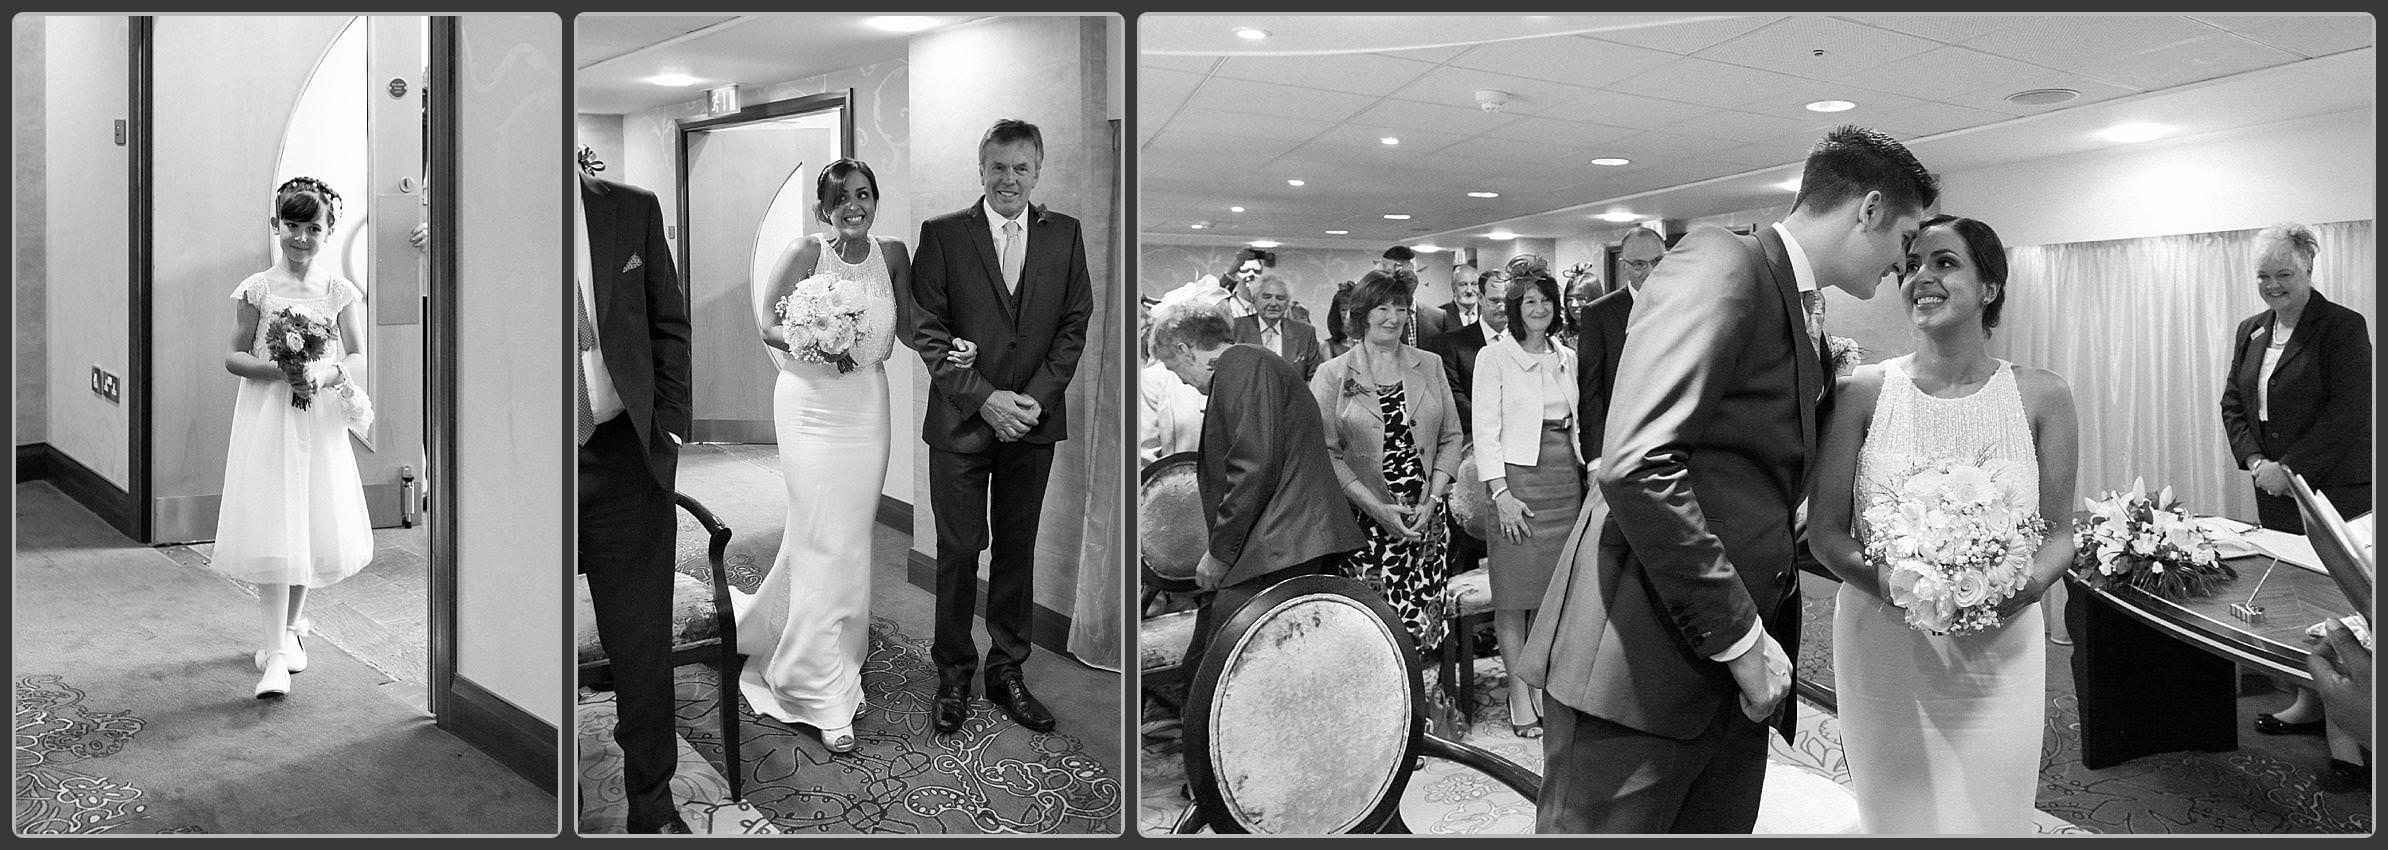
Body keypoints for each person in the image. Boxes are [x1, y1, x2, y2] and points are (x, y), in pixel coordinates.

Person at [1517, 125, 1936, 833]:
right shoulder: (1724, 260)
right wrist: (1741, 640)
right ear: (1868, 208)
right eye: (1907, 236)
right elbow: (1638, 463)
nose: (1906, 262)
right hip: (1639, 670)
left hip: (1721, 680)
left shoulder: (1798, 305)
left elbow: (1745, 467)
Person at [1807, 215, 2080, 833]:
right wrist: (1904, 590)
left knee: (1991, 816)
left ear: (1990, 287)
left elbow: (2059, 533)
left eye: (1945, 263)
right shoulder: (1862, 393)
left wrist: (2019, 590)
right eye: (1910, 266)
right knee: (1897, 815)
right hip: (1883, 641)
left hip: (2001, 645)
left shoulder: (2043, 395)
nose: (1920, 278)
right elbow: (1825, 534)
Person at [731, 159, 970, 754]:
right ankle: (814, 686)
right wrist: (811, 337)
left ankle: (841, 652)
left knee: (851, 536)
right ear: (824, 209)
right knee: (818, 533)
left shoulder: (892, 253)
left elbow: (911, 325)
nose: (854, 206)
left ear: (875, 200)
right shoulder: (802, 251)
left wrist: (954, 348)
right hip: (809, 403)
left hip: (865, 404)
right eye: (841, 198)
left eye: (863, 195)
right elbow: (766, 321)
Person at [909, 118, 1094, 736]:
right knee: (960, 552)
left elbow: (1074, 325)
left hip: (1031, 427)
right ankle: (953, 674)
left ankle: (1006, 671)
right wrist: (986, 399)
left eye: (1021, 167)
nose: (1008, 178)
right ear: (980, 167)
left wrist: (1032, 403)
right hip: (962, 422)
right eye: (997, 166)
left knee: (1017, 551)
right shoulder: (942, 235)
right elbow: (928, 330)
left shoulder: (1065, 235)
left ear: (1038, 169)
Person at [2217, 221, 2373, 773]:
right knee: (2293, 604)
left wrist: (2292, 468)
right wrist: (2258, 463)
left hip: (2335, 489)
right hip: (2276, 488)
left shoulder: (2342, 327)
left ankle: (2352, 739)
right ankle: (2308, 700)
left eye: (2284, 273)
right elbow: (2233, 403)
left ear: (2309, 269)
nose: (2273, 285)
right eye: (2264, 275)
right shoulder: (2252, 329)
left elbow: (2349, 411)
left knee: (2338, 606)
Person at [213, 176, 373, 701]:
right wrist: (279, 372)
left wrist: (325, 376)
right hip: (268, 415)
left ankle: (290, 627)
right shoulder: (257, 287)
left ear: (328, 231)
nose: (301, 237)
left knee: (307, 518)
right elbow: (235, 356)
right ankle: (276, 657)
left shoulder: (338, 291)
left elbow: (355, 355)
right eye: (292, 226)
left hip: (317, 417)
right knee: (273, 518)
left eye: (313, 227)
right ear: (276, 226)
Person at [577, 167, 694, 833]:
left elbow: (666, 319)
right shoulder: (492, 211)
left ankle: (654, 805)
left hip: (627, 455)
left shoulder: (631, 209)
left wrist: (670, 423)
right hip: (532, 464)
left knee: (641, 643)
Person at [1150, 302, 1365, 658]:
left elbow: (1253, 465)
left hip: (1282, 542)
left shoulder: (1241, 363)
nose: (1183, 381)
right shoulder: (1252, 364)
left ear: (1183, 350)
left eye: (1175, 370)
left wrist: (1219, 554)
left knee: (1224, 661)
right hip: (1287, 540)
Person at [1313, 271, 1466, 653]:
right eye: (1382, 307)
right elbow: (1324, 453)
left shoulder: (1429, 364)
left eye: (1400, 307)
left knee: (1423, 631)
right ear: (1362, 314)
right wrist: (1377, 508)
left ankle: (1423, 708)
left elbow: (1451, 436)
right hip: (1365, 526)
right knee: (1372, 638)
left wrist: (1432, 501)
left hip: (1425, 523)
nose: (1392, 317)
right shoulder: (1332, 374)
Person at [1470, 270, 1582, 739]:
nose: (1538, 309)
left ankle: (1540, 684)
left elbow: (1579, 422)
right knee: (1515, 596)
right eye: (1528, 301)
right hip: (1517, 484)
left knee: (1551, 596)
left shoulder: (1567, 357)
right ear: (1513, 308)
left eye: (1545, 301)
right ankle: (1519, 693)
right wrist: (1501, 494)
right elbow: (1485, 430)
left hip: (1563, 481)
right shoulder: (1493, 356)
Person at [1576, 227, 1669, 462]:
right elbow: (1591, 393)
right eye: (1639, 264)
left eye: (1658, 261)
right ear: (1623, 265)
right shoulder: (1599, 314)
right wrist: (1595, 460)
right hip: (1622, 447)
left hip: (1678, 443)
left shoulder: (1687, 306)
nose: (1651, 271)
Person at [1231, 273, 1325, 380]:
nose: (1273, 303)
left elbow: (1313, 378)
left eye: (1280, 298)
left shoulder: (1305, 333)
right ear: (1254, 299)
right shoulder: (1235, 329)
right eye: (1267, 297)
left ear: (1287, 303)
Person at [1325, 280, 1358, 358]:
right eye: (1343, 309)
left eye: (1353, 308)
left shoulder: (1373, 344)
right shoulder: (1327, 347)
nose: (1348, 314)